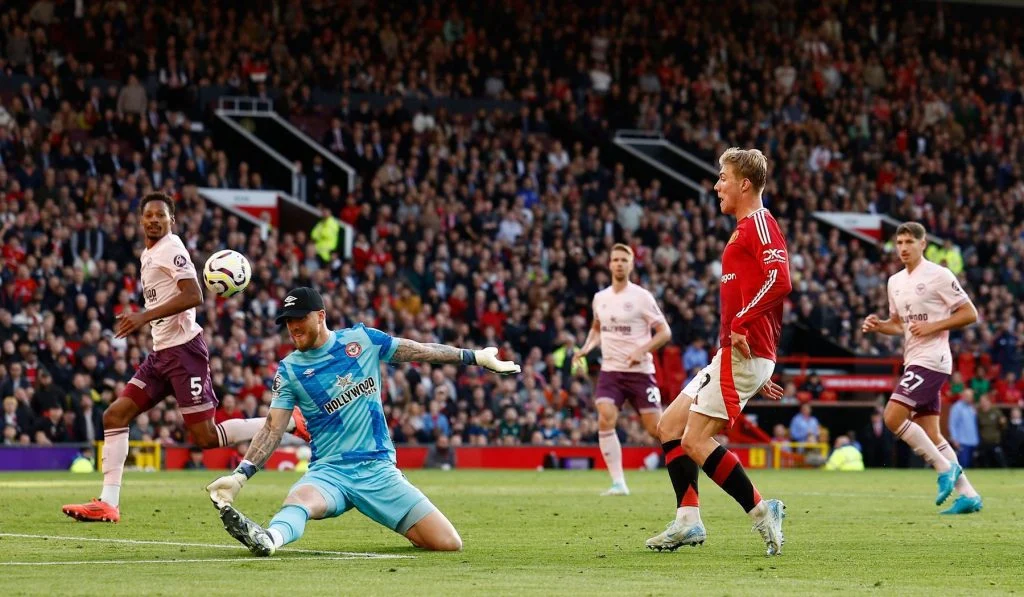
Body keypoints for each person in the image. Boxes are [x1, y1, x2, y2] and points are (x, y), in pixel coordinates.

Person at [206, 286, 520, 555]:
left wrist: (474, 356)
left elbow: (420, 351)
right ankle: (269, 539)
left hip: (378, 471)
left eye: (299, 318)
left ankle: (404, 522)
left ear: (321, 316)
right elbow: (273, 428)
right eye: (288, 321)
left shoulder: (362, 341)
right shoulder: (289, 370)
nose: (293, 327)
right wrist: (240, 476)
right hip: (330, 472)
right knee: (299, 500)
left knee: (448, 543)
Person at [62, 192, 309, 523]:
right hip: (160, 354)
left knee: (206, 437)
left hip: (184, 353)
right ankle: (108, 502)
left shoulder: (171, 248)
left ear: (172, 220)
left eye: (160, 215)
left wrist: (144, 316)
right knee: (115, 415)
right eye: (149, 215)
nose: (154, 220)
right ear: (141, 220)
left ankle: (290, 421)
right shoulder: (149, 253)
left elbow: (194, 295)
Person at [644, 148, 789, 555]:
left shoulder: (760, 223)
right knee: (670, 427)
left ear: (745, 184)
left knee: (694, 440)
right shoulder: (743, 229)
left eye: (723, 177)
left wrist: (745, 328)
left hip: (743, 352)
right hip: (737, 353)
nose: (716, 185)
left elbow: (780, 280)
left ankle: (762, 511)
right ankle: (687, 521)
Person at [862, 221, 983, 514]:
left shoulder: (939, 275)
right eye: (899, 243)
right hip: (913, 359)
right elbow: (899, 325)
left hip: (933, 360)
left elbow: (970, 314)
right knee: (932, 433)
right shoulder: (894, 281)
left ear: (923, 244)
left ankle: (944, 469)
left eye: (909, 242)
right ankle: (969, 495)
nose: (903, 248)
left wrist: (934, 326)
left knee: (892, 417)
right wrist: (879, 326)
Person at [573, 243, 671, 496]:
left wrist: (642, 350)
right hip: (611, 371)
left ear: (631, 265)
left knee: (657, 429)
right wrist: (586, 348)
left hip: (640, 372)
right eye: (615, 259)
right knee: (605, 416)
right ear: (609, 264)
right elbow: (597, 329)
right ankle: (618, 483)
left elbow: (664, 332)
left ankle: (691, 454)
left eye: (623, 260)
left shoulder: (642, 297)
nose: (618, 264)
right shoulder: (600, 298)